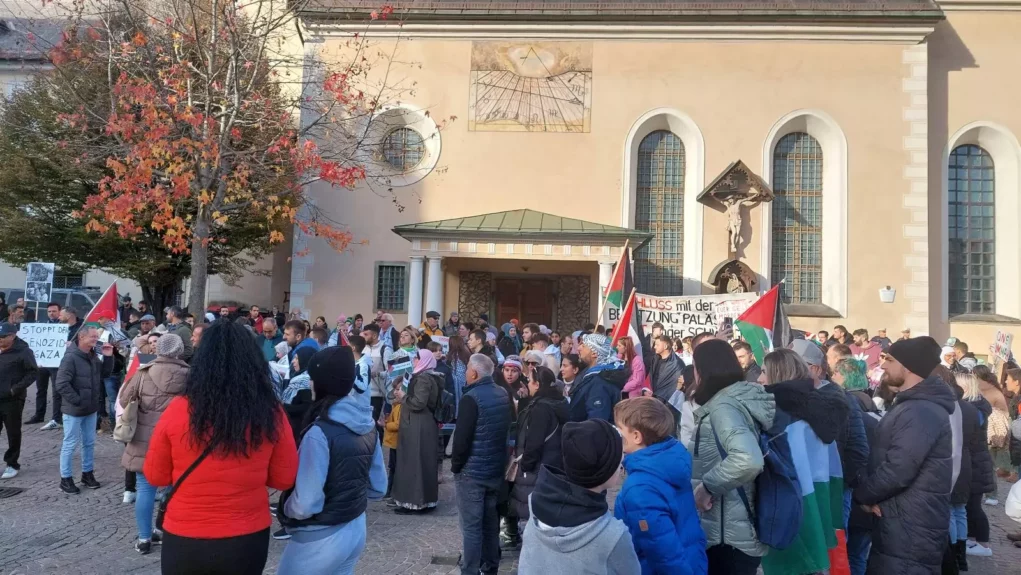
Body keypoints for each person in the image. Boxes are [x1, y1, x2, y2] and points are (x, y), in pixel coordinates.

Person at [143, 320, 298, 575]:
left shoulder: (179, 410)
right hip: (246, 534)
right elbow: (283, 478)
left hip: (185, 533)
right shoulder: (271, 413)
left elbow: (155, 475)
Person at [276, 346, 387, 575]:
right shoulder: (368, 425)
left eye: (313, 378)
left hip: (320, 538)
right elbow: (379, 488)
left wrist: (285, 507)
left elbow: (307, 503)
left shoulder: (318, 433)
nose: (309, 383)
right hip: (355, 529)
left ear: (322, 383)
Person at [853, 336, 954, 574]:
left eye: (889, 359)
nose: (883, 365)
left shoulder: (919, 411)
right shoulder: (913, 405)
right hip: (902, 518)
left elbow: (899, 469)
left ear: (907, 367)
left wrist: (864, 496)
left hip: (910, 524)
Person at [689, 339, 775, 574]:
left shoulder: (724, 406)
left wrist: (707, 486)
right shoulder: (731, 400)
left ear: (703, 370)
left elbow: (748, 459)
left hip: (728, 537)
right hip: (731, 529)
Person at [759, 348, 847, 575]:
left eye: (763, 372)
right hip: (818, 507)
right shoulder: (818, 410)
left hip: (790, 515)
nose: (759, 379)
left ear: (778, 374)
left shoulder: (782, 418)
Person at [518, 419, 641, 575]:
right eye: (618, 457)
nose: (622, 461)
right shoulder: (614, 537)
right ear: (604, 470)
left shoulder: (535, 508)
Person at [613, 396, 708, 574]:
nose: (617, 434)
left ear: (636, 436)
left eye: (620, 430)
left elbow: (662, 552)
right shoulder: (670, 460)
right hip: (692, 559)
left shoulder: (640, 489)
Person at [118, 333, 189, 554]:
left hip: (144, 440)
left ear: (158, 350)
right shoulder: (190, 375)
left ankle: (144, 538)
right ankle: (167, 530)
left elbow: (123, 400)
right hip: (179, 440)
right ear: (179, 351)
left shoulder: (143, 372)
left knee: (145, 489)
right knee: (173, 488)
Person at [451, 353, 512, 575]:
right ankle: (490, 566)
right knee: (489, 523)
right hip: (494, 469)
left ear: (474, 373)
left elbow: (461, 440)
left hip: (472, 473)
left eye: (467, 369)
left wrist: (456, 467)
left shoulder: (471, 398)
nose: (466, 373)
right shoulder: (502, 393)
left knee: (472, 527)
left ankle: (470, 570)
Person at [53, 324, 114, 493]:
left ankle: (87, 474)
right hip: (75, 409)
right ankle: (65, 479)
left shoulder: (93, 356)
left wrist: (108, 357)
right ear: (82, 337)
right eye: (93, 337)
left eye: (97, 337)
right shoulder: (71, 358)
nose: (96, 340)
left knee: (89, 442)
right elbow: (61, 383)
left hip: (91, 408)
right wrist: (77, 400)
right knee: (70, 443)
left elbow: (105, 375)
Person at [947, 371, 995, 566]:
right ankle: (969, 543)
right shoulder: (977, 407)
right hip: (975, 461)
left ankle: (981, 543)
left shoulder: (972, 410)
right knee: (966, 507)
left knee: (971, 506)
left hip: (974, 463)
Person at [510, 366, 568, 525]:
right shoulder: (558, 401)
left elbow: (534, 441)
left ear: (537, 384)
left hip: (539, 467)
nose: (527, 384)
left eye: (529, 381)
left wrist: (526, 464)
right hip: (554, 463)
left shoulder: (541, 408)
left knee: (534, 513)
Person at [391, 349, 442, 514]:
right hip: (418, 423)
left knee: (416, 462)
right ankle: (417, 500)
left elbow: (419, 403)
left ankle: (417, 502)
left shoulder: (423, 379)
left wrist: (403, 396)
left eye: (416, 359)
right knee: (416, 461)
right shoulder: (425, 377)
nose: (413, 361)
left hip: (419, 425)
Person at [0, 322, 37, 479]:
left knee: (13, 432)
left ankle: (12, 463)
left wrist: (14, 389)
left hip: (12, 399)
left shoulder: (23, 352)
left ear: (13, 336)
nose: (0, 339)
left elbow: (32, 373)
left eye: (2, 337)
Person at [569, 333, 629, 422]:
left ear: (594, 353)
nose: (579, 348)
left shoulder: (599, 383)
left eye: (584, 346)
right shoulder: (596, 376)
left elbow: (596, 423)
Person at [648, 335, 683, 402]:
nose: (654, 347)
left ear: (665, 346)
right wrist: (646, 389)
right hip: (653, 398)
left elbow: (674, 387)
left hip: (665, 402)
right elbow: (650, 377)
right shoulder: (655, 359)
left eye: (657, 345)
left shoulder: (677, 364)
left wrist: (658, 397)